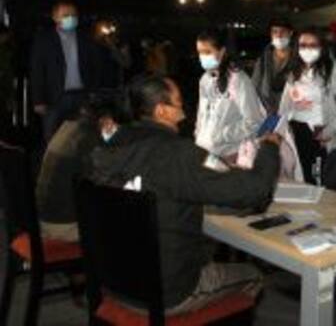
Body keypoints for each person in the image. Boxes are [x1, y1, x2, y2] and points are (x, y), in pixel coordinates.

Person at [91, 75, 281, 313]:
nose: (183, 108)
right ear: (161, 111)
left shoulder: (109, 148)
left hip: (114, 280)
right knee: (253, 276)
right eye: (178, 102)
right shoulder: (177, 154)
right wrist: (270, 147)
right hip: (168, 290)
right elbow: (254, 191)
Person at [36, 93, 125, 242]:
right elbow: (108, 185)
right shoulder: (91, 142)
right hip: (65, 226)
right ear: (107, 121)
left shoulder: (68, 127)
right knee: (131, 226)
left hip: (44, 219)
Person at [278, 27, 336, 185]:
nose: (307, 49)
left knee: (316, 179)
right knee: (300, 176)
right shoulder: (294, 71)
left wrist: (331, 129)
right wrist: (281, 128)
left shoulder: (332, 70)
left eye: (313, 45)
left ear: (322, 47)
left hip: (319, 133)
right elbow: (285, 105)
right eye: (303, 45)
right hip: (296, 131)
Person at [30, 1, 103, 141]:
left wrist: (93, 91)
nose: (71, 18)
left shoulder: (85, 38)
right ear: (55, 17)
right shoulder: (44, 39)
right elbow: (37, 70)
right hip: (54, 98)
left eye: (74, 15)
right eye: (66, 15)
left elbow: (95, 66)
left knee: (82, 137)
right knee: (53, 139)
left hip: (81, 97)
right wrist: (38, 100)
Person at [194, 29, 266, 164]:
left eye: (207, 52)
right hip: (206, 153)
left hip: (230, 155)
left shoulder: (239, 80)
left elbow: (254, 121)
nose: (202, 57)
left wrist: (221, 135)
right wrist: (199, 136)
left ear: (222, 51)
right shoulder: (205, 79)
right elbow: (202, 115)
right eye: (200, 52)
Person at [252, 18, 294, 114]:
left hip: (293, 112)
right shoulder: (263, 60)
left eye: (283, 32)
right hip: (267, 112)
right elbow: (254, 88)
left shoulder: (298, 59)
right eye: (275, 32)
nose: (279, 36)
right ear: (270, 34)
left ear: (290, 33)